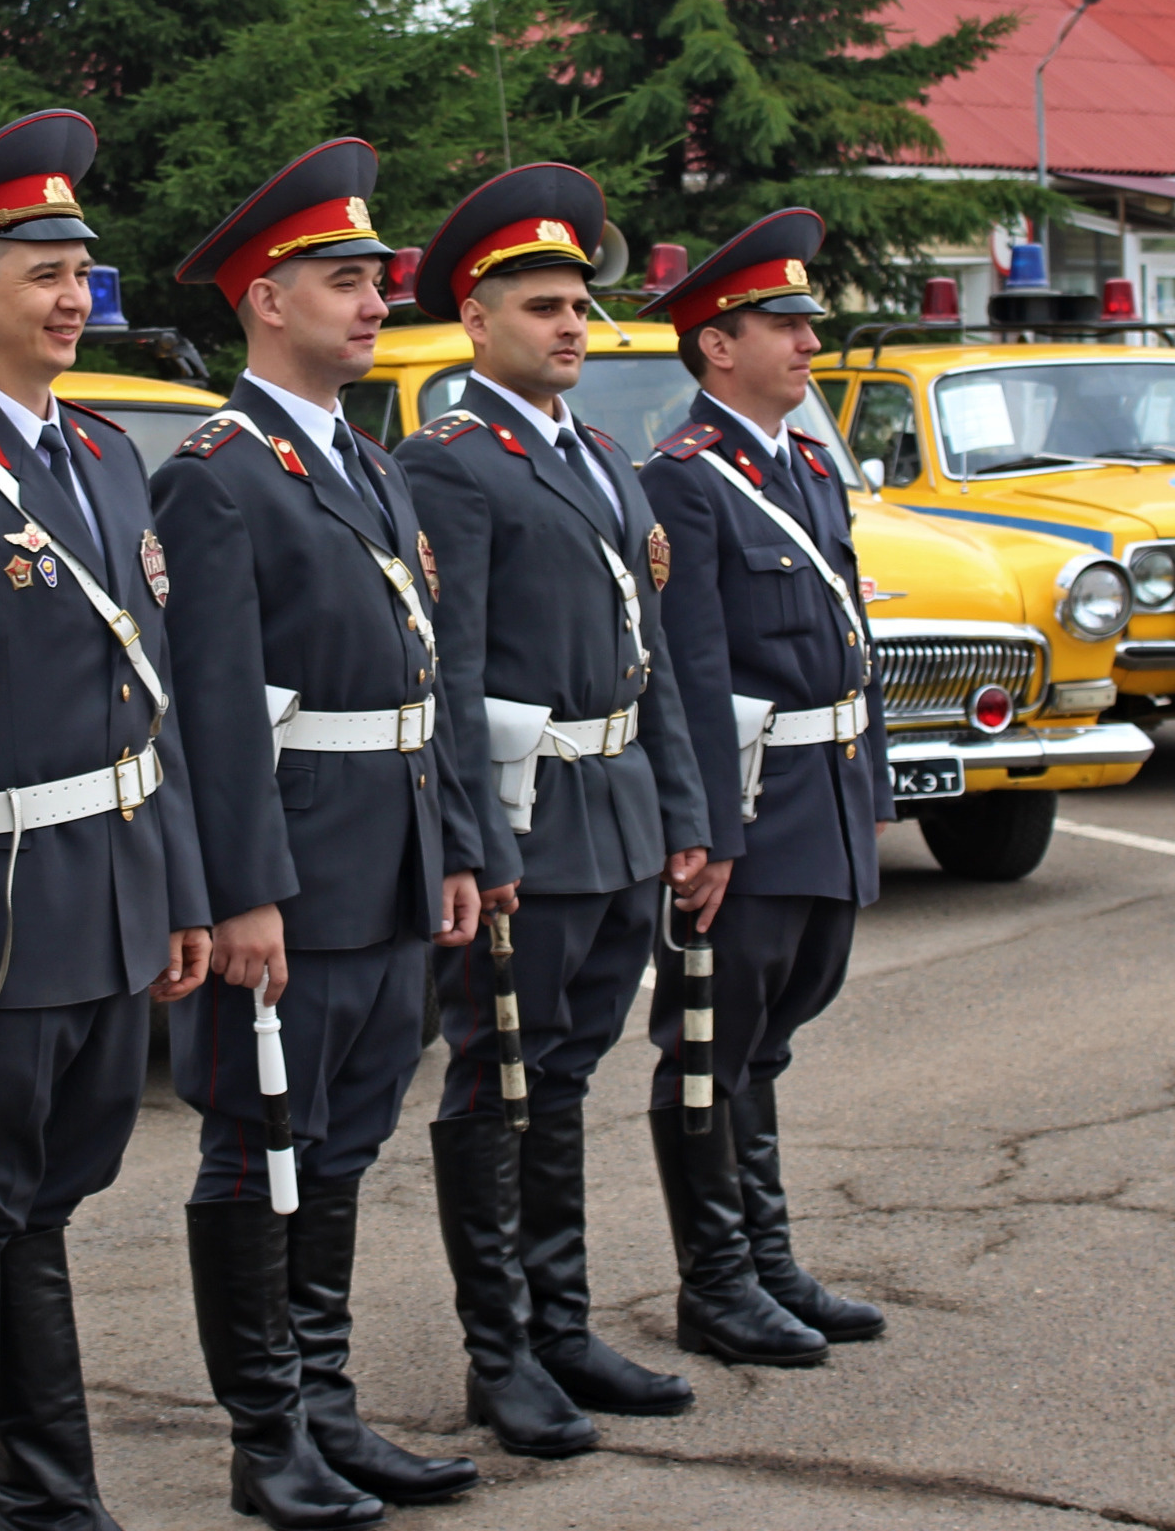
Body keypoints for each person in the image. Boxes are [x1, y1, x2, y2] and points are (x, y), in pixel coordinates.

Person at [0, 110, 213, 1531]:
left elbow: (159, 699)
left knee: (51, 1200)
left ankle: (52, 1492)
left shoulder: (106, 454)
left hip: (113, 884)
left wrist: (183, 885)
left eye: (81, 273)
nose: (74, 301)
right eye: (40, 274)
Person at [151, 140, 483, 1527]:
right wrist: (241, 893)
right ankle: (264, 1434)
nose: (373, 305)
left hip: (388, 856)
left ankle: (328, 1405)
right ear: (266, 301)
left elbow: (427, 673)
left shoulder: (371, 464)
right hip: (290, 873)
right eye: (344, 282)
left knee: (342, 1146)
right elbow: (214, 709)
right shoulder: (219, 474)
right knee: (258, 1149)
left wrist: (457, 842)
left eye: (378, 282)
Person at [392, 165, 712, 1456]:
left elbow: (657, 650)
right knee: (499, 1083)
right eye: (542, 306)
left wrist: (688, 815)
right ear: (478, 323)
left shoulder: (600, 456)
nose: (572, 326)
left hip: (621, 809)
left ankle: (563, 1323)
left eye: (581, 303)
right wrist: (477, 843)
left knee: (567, 1078)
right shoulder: (454, 460)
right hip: (531, 824)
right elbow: (450, 675)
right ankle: (500, 1353)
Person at [637, 210, 889, 1364]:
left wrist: (870, 789)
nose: (804, 341)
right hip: (755, 802)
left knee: (772, 1037)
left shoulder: (802, 462)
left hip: (823, 797)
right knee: (709, 1043)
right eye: (780, 324)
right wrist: (703, 826)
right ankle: (719, 1280)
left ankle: (768, 1257)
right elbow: (687, 667)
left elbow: (851, 639)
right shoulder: (685, 480)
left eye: (806, 322)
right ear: (714, 344)